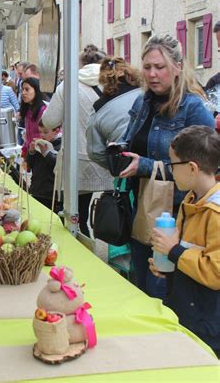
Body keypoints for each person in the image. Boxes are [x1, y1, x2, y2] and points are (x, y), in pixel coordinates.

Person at [119, 34, 215, 298]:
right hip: (141, 208)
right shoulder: (142, 103)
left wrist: (147, 166)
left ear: (177, 68)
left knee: (163, 294)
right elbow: (132, 141)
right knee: (142, 289)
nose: (151, 74)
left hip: (176, 217)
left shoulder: (193, 108)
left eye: (159, 67)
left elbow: (202, 170)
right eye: (147, 67)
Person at [149, 125, 220, 358]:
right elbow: (187, 255)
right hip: (186, 306)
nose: (170, 171)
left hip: (208, 321)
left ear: (191, 168)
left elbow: (215, 273)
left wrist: (174, 251)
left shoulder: (215, 213)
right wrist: (167, 266)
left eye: (172, 164)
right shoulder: (191, 200)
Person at [42, 44, 113, 238]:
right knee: (87, 212)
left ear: (80, 65)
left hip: (75, 160)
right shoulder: (111, 85)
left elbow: (49, 120)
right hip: (102, 160)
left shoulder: (69, 85)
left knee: (72, 215)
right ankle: (90, 249)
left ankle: (78, 251)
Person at [86, 56, 142, 169]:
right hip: (156, 165)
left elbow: (95, 152)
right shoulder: (147, 93)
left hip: (127, 165)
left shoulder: (98, 108)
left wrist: (116, 165)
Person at [26, 119, 62, 212]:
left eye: (45, 132)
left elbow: (57, 165)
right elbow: (29, 165)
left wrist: (46, 153)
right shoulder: (40, 144)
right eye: (40, 132)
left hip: (51, 194)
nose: (42, 135)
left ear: (56, 131)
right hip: (37, 190)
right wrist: (31, 152)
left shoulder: (61, 145)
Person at [20, 77, 46, 159]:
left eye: (27, 89)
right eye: (22, 89)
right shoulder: (28, 110)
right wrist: (25, 149)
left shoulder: (43, 110)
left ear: (36, 90)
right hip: (31, 154)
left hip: (41, 154)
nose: (23, 93)